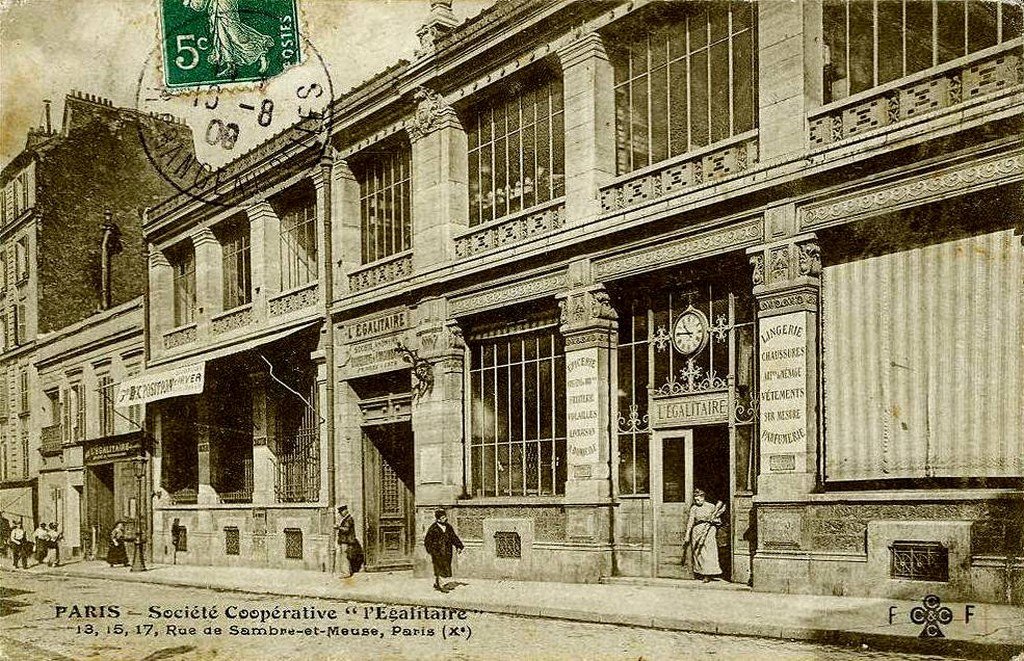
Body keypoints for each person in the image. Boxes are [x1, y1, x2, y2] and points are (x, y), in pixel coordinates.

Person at [685, 489, 725, 583]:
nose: (698, 502)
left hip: (709, 531)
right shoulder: (694, 508)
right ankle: (702, 573)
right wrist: (687, 535)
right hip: (697, 531)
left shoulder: (711, 506)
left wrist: (712, 520)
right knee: (699, 553)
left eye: (699, 499)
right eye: (696, 500)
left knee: (709, 552)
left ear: (703, 498)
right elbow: (690, 522)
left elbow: (719, 521)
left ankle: (709, 574)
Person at [424, 509, 463, 592]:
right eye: (443, 517)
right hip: (437, 552)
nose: (445, 519)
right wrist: (431, 551)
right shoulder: (433, 528)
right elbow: (427, 541)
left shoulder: (448, 527)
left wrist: (459, 546)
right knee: (439, 567)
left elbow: (453, 537)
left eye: (445, 517)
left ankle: (437, 583)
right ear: (438, 519)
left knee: (445, 567)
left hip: (447, 551)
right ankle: (441, 586)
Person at [335, 505, 363, 578]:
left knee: (345, 557)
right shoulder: (347, 518)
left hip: (346, 541)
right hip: (345, 540)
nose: (340, 514)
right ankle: (348, 571)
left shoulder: (348, 519)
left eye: (341, 512)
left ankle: (346, 573)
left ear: (345, 511)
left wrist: (338, 527)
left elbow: (346, 529)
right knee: (346, 556)